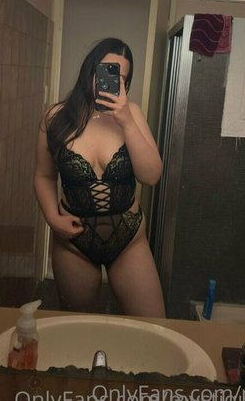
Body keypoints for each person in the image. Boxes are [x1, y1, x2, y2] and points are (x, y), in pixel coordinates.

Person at [34, 37, 165, 318]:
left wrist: (126, 121)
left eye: (121, 77)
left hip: (129, 239)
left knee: (154, 325)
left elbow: (151, 176)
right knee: (77, 326)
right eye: (106, 71)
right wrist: (52, 218)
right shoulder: (55, 117)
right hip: (74, 243)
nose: (111, 81)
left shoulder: (133, 115)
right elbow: (44, 176)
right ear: (90, 69)